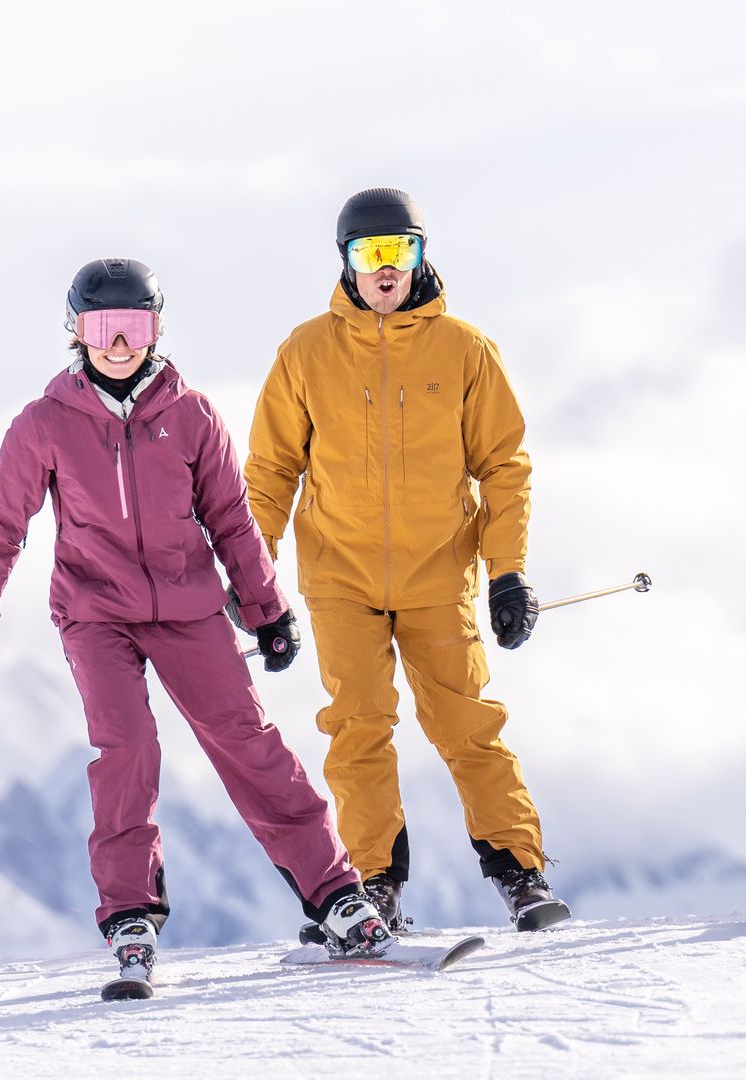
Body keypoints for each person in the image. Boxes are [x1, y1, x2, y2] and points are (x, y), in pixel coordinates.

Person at [0, 258, 398, 996]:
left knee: (248, 743)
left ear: (157, 330)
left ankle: (339, 899)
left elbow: (231, 521)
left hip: (189, 608)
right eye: (101, 327)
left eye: (135, 327)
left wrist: (266, 608)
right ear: (75, 332)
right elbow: (2, 527)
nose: (118, 344)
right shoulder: (45, 424)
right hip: (96, 614)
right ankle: (130, 916)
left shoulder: (190, 414)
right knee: (127, 749)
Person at [246, 189, 569, 932]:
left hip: (438, 574)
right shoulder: (305, 352)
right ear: (346, 263)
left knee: (468, 725)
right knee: (357, 729)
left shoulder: (463, 349)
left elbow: (504, 467)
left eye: (401, 251)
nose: (385, 269)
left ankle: (520, 872)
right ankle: (372, 887)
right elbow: (268, 474)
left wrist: (507, 572)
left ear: (421, 255)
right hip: (339, 576)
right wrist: (252, 573)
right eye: (369, 253)